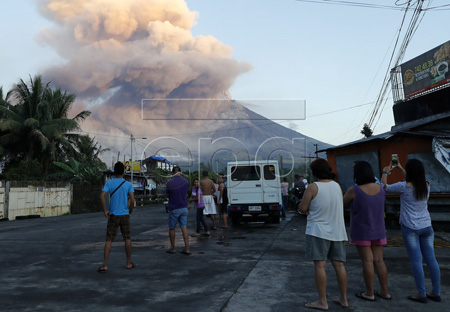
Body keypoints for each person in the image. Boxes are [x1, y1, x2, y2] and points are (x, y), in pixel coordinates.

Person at [381, 158, 441, 303]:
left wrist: (385, 172)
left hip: (410, 228)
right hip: (427, 227)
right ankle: (436, 292)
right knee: (431, 260)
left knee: (416, 261)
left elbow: (383, 188)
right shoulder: (426, 184)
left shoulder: (403, 186)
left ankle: (421, 294)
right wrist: (400, 168)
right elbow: (412, 179)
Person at [298, 158, 349, 310]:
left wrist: (304, 208)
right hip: (338, 231)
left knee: (320, 266)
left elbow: (302, 208)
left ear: (314, 172)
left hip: (318, 231)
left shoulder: (313, 187)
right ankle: (344, 299)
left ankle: (322, 301)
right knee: (339, 265)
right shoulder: (337, 186)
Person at [343, 161, 391, 301]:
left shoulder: (354, 190)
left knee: (367, 261)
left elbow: (342, 204)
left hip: (362, 230)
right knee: (379, 261)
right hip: (379, 229)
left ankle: (369, 293)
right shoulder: (381, 189)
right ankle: (385, 291)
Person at [98, 162, 135, 272]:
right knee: (127, 238)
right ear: (123, 172)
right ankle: (128, 263)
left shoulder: (110, 183)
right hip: (124, 215)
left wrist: (105, 211)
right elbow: (132, 200)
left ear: (114, 172)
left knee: (109, 240)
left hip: (113, 215)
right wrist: (130, 211)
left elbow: (102, 196)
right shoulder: (128, 184)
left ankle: (105, 265)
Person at [165, 165, 191, 255]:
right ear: (180, 172)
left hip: (174, 208)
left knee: (172, 228)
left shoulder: (169, 183)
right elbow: (186, 193)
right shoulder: (186, 182)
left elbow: (167, 195)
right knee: (184, 227)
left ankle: (173, 248)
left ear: (173, 173)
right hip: (183, 207)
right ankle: (187, 249)